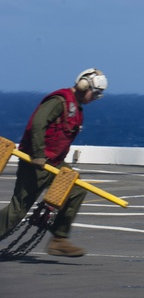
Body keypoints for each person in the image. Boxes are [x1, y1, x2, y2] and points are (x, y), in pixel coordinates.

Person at [0, 68, 108, 257]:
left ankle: (59, 239)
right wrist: (39, 154)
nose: (95, 97)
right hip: (35, 163)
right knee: (18, 211)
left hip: (54, 164)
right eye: (95, 92)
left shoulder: (77, 108)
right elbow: (37, 124)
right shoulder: (59, 101)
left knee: (76, 188)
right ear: (83, 85)